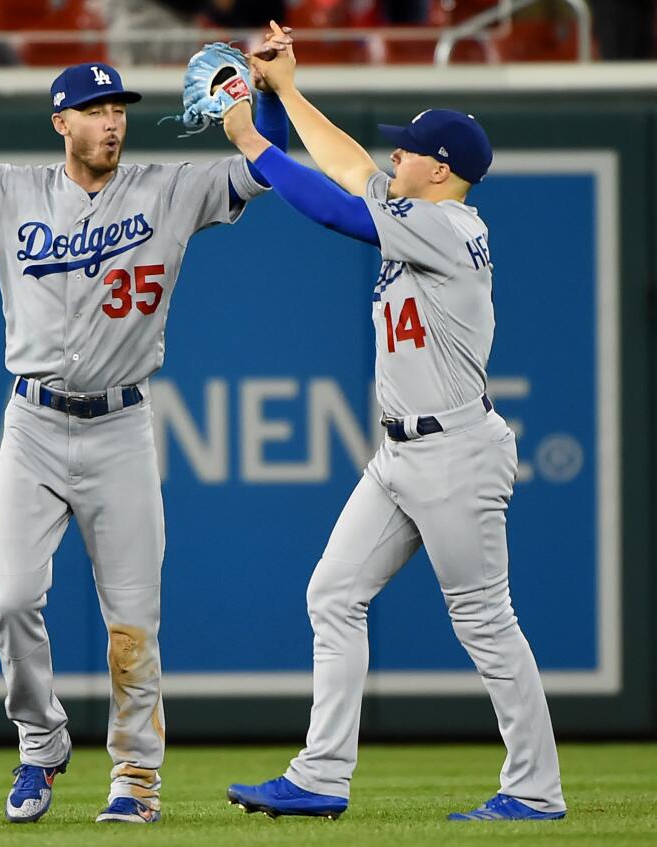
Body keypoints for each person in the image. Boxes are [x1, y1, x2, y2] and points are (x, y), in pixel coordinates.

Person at [0, 47, 290, 823]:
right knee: (11, 598)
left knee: (132, 620)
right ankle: (41, 743)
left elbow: (266, 168)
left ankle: (136, 778)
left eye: (119, 109)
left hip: (122, 425)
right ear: (62, 122)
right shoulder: (11, 190)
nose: (113, 121)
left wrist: (275, 95)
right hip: (34, 423)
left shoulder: (171, 188)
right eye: (96, 110)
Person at [222, 21, 567, 823]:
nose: (394, 159)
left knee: (485, 620)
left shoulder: (449, 227)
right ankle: (320, 775)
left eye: (409, 151)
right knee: (333, 593)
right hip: (402, 452)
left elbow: (339, 210)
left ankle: (536, 790)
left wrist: (251, 143)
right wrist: (286, 90)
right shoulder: (421, 209)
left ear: (441, 169)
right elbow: (347, 167)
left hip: (454, 451)